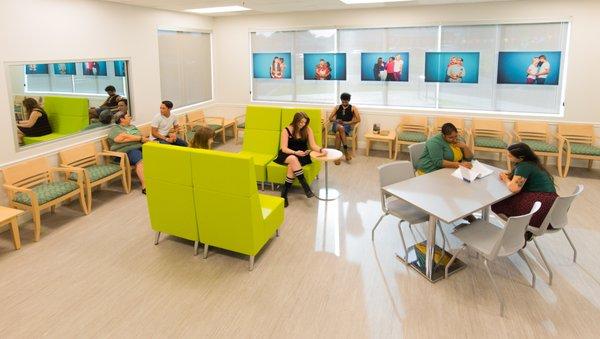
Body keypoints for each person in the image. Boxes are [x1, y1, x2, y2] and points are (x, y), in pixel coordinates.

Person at [492, 142, 558, 240]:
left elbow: (514, 188)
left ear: (521, 157)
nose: (508, 156)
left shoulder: (524, 166)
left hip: (542, 207)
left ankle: (518, 232)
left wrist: (506, 179)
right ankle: (521, 232)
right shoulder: (534, 164)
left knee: (497, 205)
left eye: (510, 155)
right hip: (554, 206)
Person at [274, 112, 326, 207]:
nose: (302, 125)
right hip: (288, 154)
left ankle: (284, 195)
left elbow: (313, 145)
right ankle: (306, 188)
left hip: (302, 155)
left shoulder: (307, 129)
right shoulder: (286, 130)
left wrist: (321, 150)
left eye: (305, 123)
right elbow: (284, 148)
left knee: (291, 167)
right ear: (295, 121)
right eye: (300, 122)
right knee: (293, 159)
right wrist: (295, 152)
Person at [108, 112, 148, 194]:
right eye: (128, 116)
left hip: (139, 146)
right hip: (125, 151)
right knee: (140, 160)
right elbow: (118, 139)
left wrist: (128, 137)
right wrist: (139, 138)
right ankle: (145, 186)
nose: (130, 117)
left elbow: (140, 136)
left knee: (156, 154)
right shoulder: (116, 128)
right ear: (122, 119)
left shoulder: (132, 126)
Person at [328, 92, 361, 165]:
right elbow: (330, 118)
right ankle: (345, 151)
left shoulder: (353, 108)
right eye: (342, 101)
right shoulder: (337, 107)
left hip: (346, 126)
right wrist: (336, 120)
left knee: (338, 134)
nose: (344, 103)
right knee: (340, 127)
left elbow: (358, 119)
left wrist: (347, 123)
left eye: (346, 101)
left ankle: (337, 157)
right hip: (336, 125)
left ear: (348, 100)